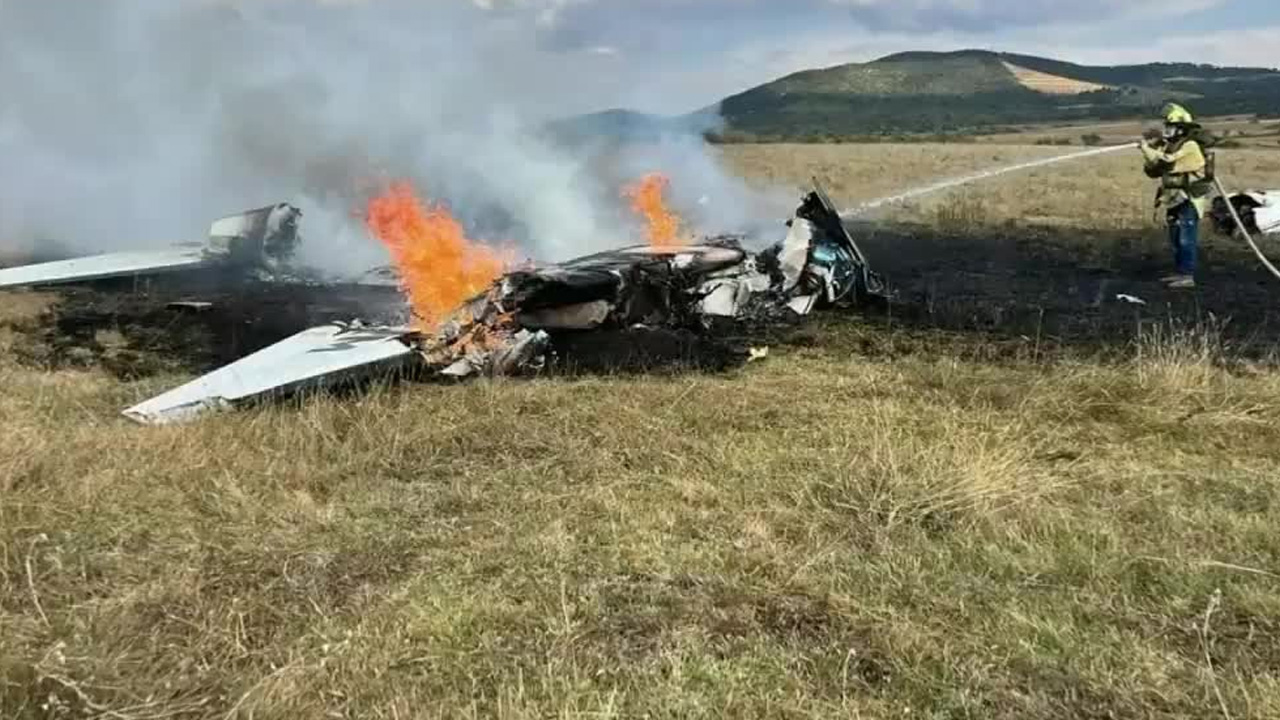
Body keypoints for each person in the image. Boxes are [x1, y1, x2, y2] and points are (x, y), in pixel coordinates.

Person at [1140, 103, 1212, 289]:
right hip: (1173, 198)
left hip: (1189, 199)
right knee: (1175, 237)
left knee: (1186, 238)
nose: (1167, 130)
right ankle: (1180, 272)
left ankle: (1187, 276)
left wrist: (1146, 149)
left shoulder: (1190, 146)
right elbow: (1155, 168)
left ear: (1181, 128)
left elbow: (1168, 162)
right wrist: (1149, 151)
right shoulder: (1170, 146)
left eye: (1170, 126)